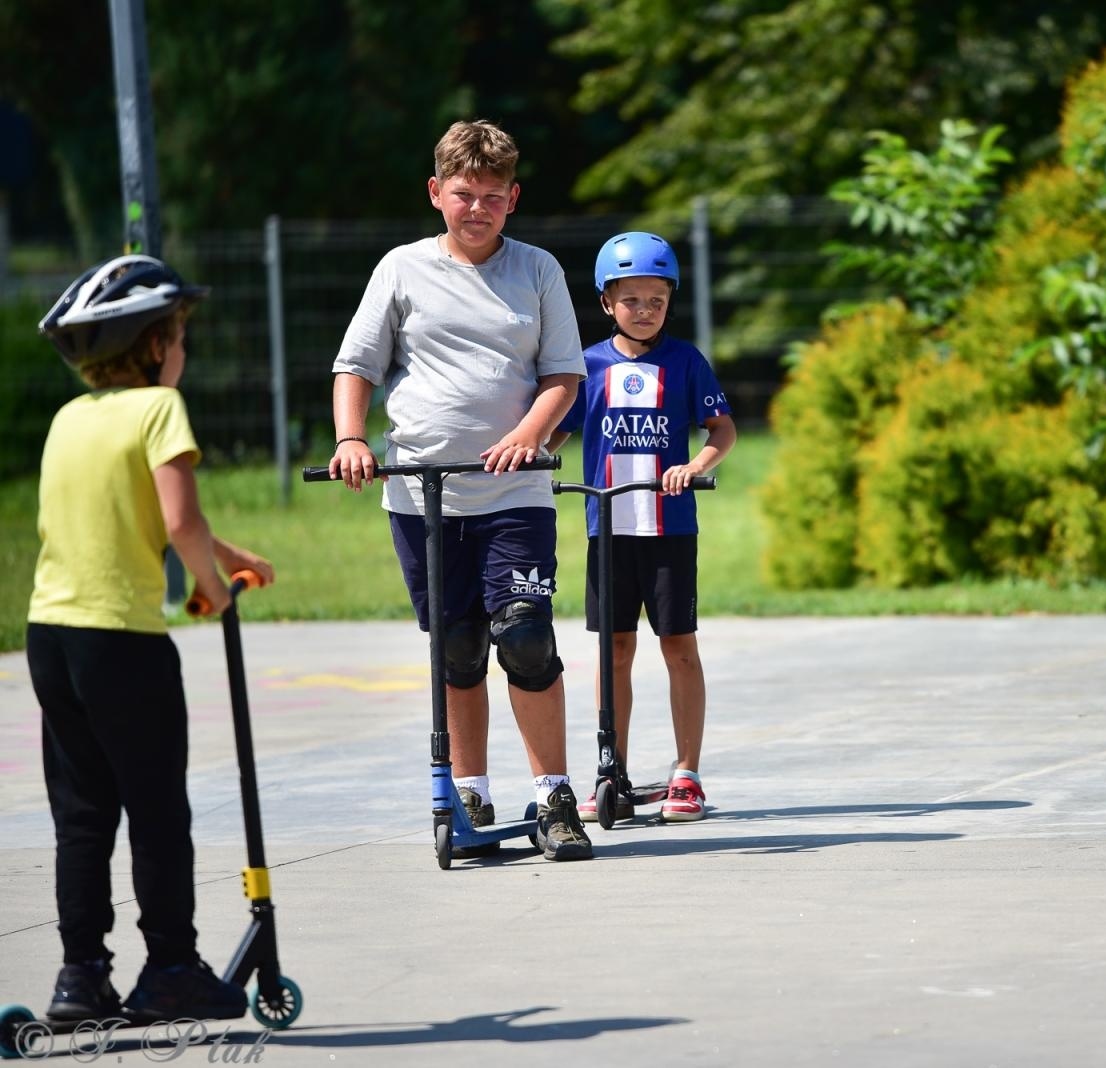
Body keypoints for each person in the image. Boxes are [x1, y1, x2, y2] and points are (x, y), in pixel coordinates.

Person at [327, 119, 592, 861]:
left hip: (514, 495)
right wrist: (352, 439)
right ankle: (469, 794)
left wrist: (527, 435)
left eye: (492, 197)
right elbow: (357, 366)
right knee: (459, 648)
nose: (477, 208)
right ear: (436, 192)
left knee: (527, 638)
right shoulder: (402, 270)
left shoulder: (536, 271)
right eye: (463, 194)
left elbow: (563, 376)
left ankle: (555, 798)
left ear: (514, 199)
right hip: (424, 497)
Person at [29, 254, 276, 1023]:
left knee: (83, 813)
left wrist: (225, 558)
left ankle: (81, 976)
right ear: (151, 345)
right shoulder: (159, 410)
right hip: (123, 642)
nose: (183, 351)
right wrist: (211, 588)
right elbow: (178, 523)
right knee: (157, 807)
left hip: (51, 636)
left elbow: (128, 520)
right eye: (178, 337)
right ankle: (170, 964)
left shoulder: (71, 417)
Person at [548, 231, 736, 823]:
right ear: (607, 302)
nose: (645, 310)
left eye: (656, 299)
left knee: (678, 646)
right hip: (608, 529)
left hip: (670, 529)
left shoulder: (685, 361)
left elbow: (721, 430)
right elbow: (556, 429)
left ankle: (687, 774)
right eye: (632, 299)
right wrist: (528, 458)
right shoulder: (586, 366)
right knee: (615, 651)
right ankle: (613, 769)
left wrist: (695, 465)